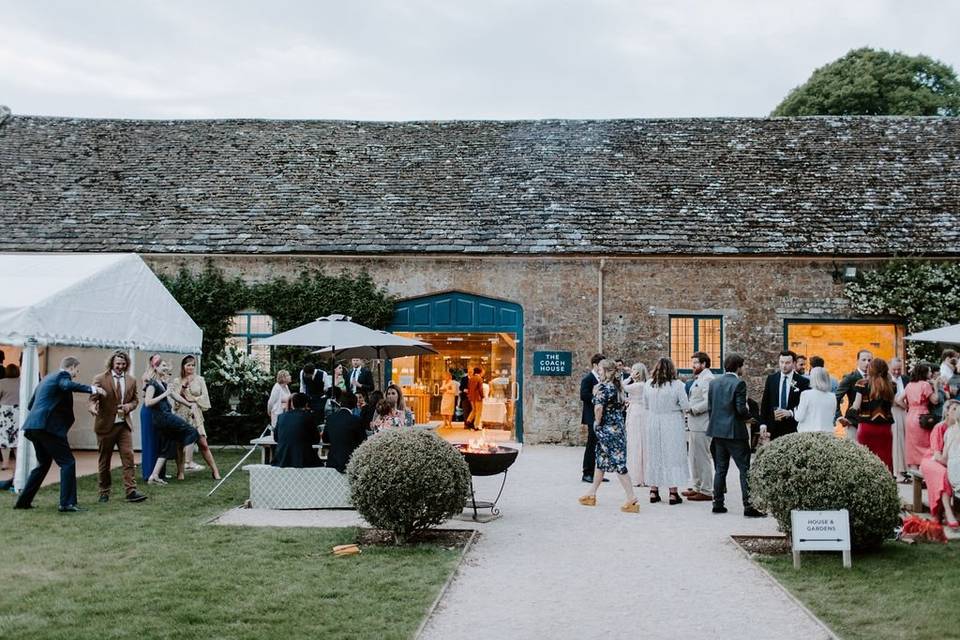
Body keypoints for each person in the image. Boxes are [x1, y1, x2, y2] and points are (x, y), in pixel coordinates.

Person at [15, 356, 107, 511]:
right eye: (77, 370)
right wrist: (93, 389)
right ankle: (67, 503)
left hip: (34, 427)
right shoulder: (61, 376)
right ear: (71, 367)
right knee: (68, 462)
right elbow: (66, 385)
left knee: (43, 464)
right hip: (47, 428)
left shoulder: (46, 379)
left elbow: (31, 404)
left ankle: (23, 502)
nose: (77, 373)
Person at [707, 353, 765, 518]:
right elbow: (740, 408)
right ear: (738, 367)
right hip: (734, 432)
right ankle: (748, 505)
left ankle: (717, 503)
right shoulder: (739, 383)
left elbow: (711, 408)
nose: (744, 369)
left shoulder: (714, 383)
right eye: (743, 366)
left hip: (717, 431)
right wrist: (749, 417)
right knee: (744, 469)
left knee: (720, 469)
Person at [578, 359, 639, 512]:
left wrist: (597, 423)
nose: (598, 372)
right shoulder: (618, 387)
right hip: (617, 428)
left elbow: (598, 408)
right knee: (602, 460)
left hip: (607, 429)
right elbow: (623, 403)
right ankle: (591, 494)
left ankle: (631, 498)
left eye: (600, 370)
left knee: (618, 463)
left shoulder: (604, 388)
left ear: (605, 371)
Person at [88, 351, 146, 503]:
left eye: (123, 364)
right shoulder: (100, 379)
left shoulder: (131, 380)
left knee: (128, 457)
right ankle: (104, 492)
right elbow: (92, 399)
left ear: (127, 364)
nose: (120, 366)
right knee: (104, 461)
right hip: (105, 426)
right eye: (118, 364)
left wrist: (128, 406)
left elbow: (135, 400)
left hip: (123, 426)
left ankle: (131, 491)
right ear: (112, 364)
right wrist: (93, 407)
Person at [144, 361, 208, 485]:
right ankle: (188, 463)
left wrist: (189, 404)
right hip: (163, 417)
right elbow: (148, 402)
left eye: (166, 366)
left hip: (165, 416)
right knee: (192, 431)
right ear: (155, 368)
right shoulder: (152, 384)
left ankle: (154, 476)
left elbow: (174, 396)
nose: (165, 368)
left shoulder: (163, 383)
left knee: (168, 445)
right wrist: (165, 394)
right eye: (163, 365)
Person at [642, 357, 690, 505]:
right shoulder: (677, 385)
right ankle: (673, 493)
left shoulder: (648, 385)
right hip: (672, 421)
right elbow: (685, 405)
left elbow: (646, 404)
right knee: (672, 455)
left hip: (653, 420)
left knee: (655, 454)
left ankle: (653, 490)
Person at [919, 399, 960, 528]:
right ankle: (948, 512)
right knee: (943, 473)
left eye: (958, 409)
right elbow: (937, 456)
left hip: (947, 461)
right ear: (946, 412)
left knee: (949, 473)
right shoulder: (939, 427)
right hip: (932, 460)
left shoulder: (957, 429)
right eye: (953, 409)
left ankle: (949, 512)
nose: (956, 411)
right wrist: (952, 465)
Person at [851, 358, 896, 473]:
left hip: (866, 427)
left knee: (864, 460)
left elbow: (856, 405)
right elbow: (892, 404)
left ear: (871, 370)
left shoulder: (861, 384)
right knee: (885, 460)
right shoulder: (892, 386)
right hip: (885, 429)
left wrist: (848, 417)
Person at [174, 355, 217, 474]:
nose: (191, 367)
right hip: (182, 413)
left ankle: (214, 470)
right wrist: (183, 389)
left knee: (203, 442)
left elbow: (205, 397)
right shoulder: (177, 380)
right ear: (183, 366)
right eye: (188, 365)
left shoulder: (200, 380)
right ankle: (181, 470)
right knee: (179, 443)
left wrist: (193, 399)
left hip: (195, 412)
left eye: (193, 365)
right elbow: (175, 398)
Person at [759, 350, 809, 440]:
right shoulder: (771, 379)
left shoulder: (803, 382)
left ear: (794, 363)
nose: (784, 366)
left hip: (794, 428)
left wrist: (790, 412)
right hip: (773, 427)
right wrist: (763, 424)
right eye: (781, 362)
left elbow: (805, 405)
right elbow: (765, 403)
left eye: (787, 363)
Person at [684, 352, 714, 501]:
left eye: (696, 363)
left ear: (704, 364)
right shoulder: (700, 378)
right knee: (694, 457)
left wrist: (692, 409)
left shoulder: (708, 379)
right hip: (695, 424)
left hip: (702, 423)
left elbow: (709, 401)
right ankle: (696, 486)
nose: (693, 365)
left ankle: (707, 490)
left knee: (702, 458)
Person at [903, 362, 940, 471]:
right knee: (925, 445)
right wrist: (936, 387)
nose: (930, 373)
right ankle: (924, 475)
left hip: (910, 416)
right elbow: (935, 400)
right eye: (928, 371)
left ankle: (915, 479)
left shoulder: (909, 385)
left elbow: (898, 399)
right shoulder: (925, 384)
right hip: (922, 417)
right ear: (923, 373)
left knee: (912, 447)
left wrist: (908, 407)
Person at [272, 392, 321, 468]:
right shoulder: (308, 417)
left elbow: (276, 438)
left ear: (292, 404)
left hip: (281, 458)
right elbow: (316, 439)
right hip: (302, 458)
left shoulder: (281, 417)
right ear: (306, 404)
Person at [323, 392, 367, 472]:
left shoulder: (330, 418)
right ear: (354, 404)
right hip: (351, 462)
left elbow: (325, 439)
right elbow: (364, 441)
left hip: (333, 462)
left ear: (340, 403)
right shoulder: (356, 420)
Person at [580, 353, 605, 483]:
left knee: (600, 445)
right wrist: (595, 397)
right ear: (595, 365)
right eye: (601, 365)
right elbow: (583, 395)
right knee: (591, 444)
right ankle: (587, 473)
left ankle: (598, 473)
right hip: (591, 416)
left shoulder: (603, 378)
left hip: (601, 415)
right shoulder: (588, 379)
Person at [837, 349, 873, 441]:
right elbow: (836, 398)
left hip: (872, 422)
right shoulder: (850, 378)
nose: (867, 363)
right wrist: (840, 417)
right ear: (857, 361)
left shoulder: (875, 379)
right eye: (864, 360)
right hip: (853, 422)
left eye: (869, 360)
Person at [622, 362, 648, 487]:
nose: (631, 372)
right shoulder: (646, 385)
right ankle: (643, 474)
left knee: (636, 442)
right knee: (641, 442)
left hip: (636, 413)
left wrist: (629, 378)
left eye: (633, 370)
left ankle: (637, 476)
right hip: (640, 411)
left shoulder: (637, 385)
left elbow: (620, 386)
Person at [794, 366, 839, 433]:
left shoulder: (806, 394)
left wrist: (795, 409)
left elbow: (799, 417)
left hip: (808, 433)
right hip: (827, 433)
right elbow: (832, 416)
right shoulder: (832, 396)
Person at [890, 358, 910, 480]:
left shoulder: (905, 379)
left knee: (905, 440)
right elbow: (892, 399)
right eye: (894, 369)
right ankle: (897, 471)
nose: (897, 372)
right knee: (896, 440)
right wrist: (905, 406)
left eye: (899, 369)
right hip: (894, 412)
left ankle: (904, 469)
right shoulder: (887, 380)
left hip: (904, 413)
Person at [0, 363, 21, 471]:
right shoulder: (23, 382)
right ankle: (19, 462)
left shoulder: (2, 382)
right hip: (19, 411)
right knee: (18, 438)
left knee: (4, 438)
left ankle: (5, 463)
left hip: (5, 412)